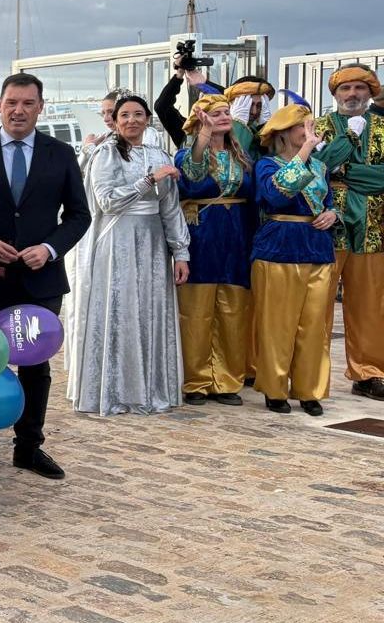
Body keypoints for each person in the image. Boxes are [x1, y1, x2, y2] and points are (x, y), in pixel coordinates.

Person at [0, 73, 89, 478]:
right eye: (12, 103)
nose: (19, 111)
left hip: (40, 278)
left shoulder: (60, 153)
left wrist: (50, 248)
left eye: (28, 103)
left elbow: (79, 215)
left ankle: (29, 446)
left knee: (37, 368)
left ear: (40, 107)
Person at [66, 95, 190, 416]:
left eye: (138, 114)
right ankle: (116, 388)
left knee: (149, 309)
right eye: (125, 115)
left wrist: (180, 251)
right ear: (116, 120)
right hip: (117, 239)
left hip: (152, 241)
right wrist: (150, 179)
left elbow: (171, 209)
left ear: (148, 119)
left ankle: (149, 388)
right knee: (119, 308)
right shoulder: (105, 154)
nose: (132, 120)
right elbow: (107, 201)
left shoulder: (159, 154)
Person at [253, 104, 338, 414]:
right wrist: (304, 152)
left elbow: (328, 202)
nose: (310, 132)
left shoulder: (321, 168)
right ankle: (275, 389)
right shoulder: (266, 165)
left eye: (311, 126)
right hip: (279, 248)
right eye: (303, 127)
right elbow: (276, 195)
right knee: (278, 324)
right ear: (285, 133)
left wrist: (332, 213)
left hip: (318, 248)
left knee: (315, 326)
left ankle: (309, 389)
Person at [175, 94, 257, 406]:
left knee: (233, 310)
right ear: (199, 121)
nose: (223, 116)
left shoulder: (242, 157)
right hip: (202, 234)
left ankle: (226, 380)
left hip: (235, 235)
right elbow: (193, 179)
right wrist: (204, 136)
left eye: (226, 113)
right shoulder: (187, 154)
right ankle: (195, 381)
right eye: (215, 113)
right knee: (196, 312)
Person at [314, 64, 384, 401]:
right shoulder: (319, 126)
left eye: (359, 88)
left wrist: (347, 171)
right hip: (329, 223)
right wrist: (348, 140)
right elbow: (320, 165)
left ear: (371, 92)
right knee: (318, 300)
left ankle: (369, 371)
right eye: (346, 89)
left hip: (373, 223)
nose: (353, 94)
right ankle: (311, 371)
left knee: (370, 302)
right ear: (335, 94)